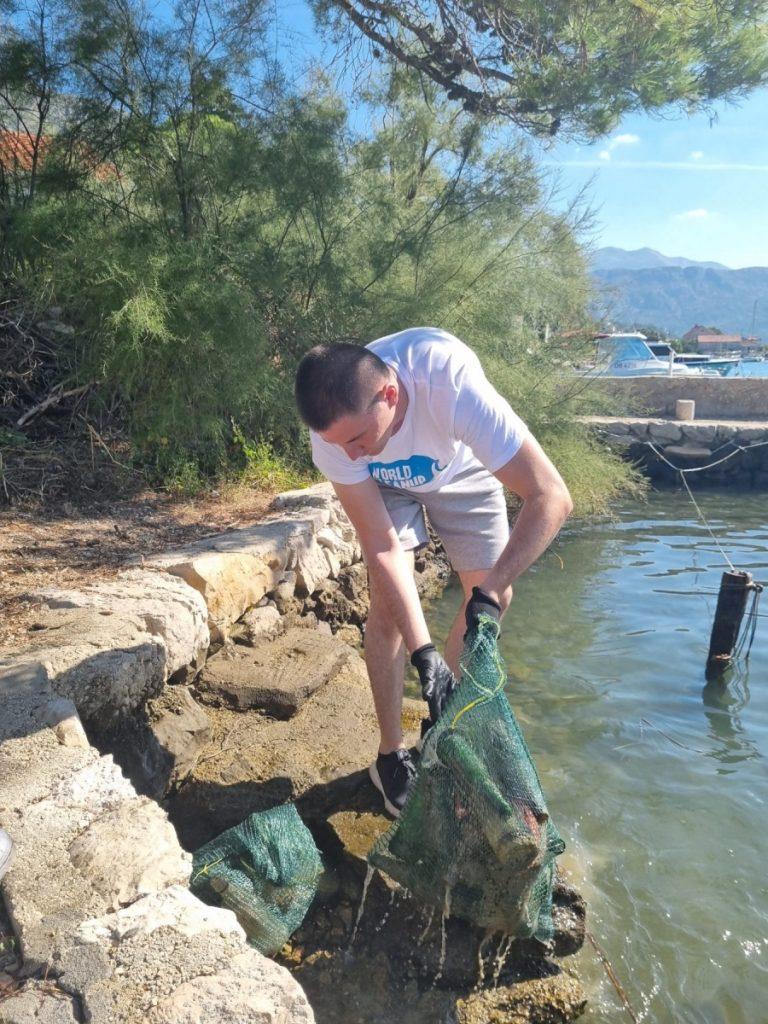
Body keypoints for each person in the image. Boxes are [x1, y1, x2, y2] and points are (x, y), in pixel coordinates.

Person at [294, 327, 572, 817]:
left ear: (390, 395)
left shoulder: (449, 383)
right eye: (340, 445)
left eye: (357, 439)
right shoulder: (337, 440)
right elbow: (382, 547)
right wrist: (424, 652)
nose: (350, 453)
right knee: (388, 607)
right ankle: (390, 756)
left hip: (458, 470)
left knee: (492, 600)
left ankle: (444, 727)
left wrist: (488, 592)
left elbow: (551, 496)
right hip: (385, 485)